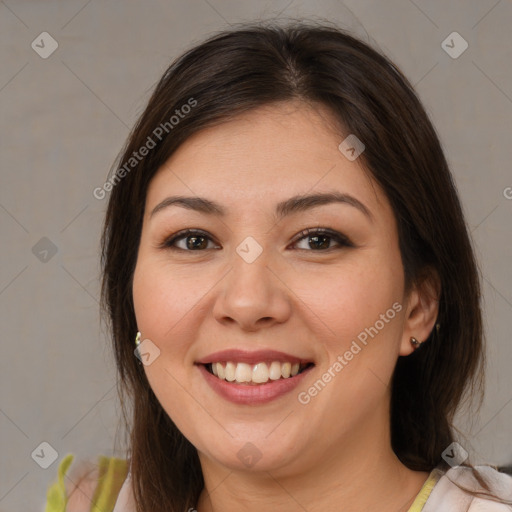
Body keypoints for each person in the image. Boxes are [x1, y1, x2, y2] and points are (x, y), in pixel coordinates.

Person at [44, 19, 512, 512]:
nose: (247, 302)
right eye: (193, 239)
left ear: (418, 305)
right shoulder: (87, 500)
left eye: (317, 240)